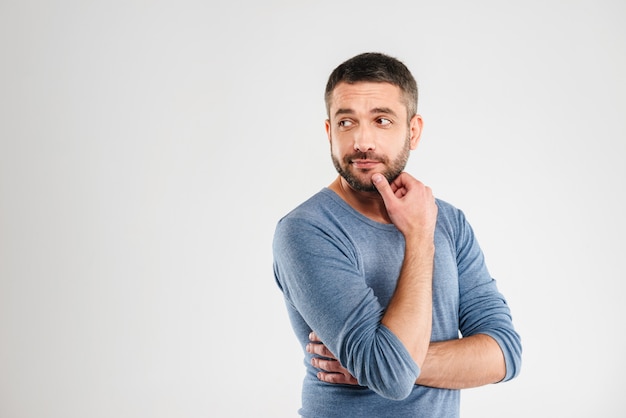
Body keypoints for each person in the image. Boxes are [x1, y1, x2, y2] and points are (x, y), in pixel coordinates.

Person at [272, 52, 522, 417]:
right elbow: (390, 376)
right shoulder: (307, 230)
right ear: (329, 131)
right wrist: (419, 235)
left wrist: (387, 363)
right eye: (346, 122)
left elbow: (504, 354)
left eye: (382, 120)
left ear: (413, 131)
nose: (362, 141)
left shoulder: (448, 220)